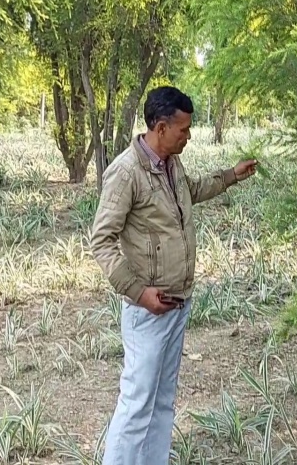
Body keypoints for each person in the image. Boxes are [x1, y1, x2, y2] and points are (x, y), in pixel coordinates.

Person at [90, 85, 257, 465]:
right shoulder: (126, 172)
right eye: (183, 129)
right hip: (148, 310)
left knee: (162, 402)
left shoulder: (170, 163)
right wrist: (137, 291)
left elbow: (191, 191)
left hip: (177, 302)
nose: (189, 136)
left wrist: (232, 175)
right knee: (136, 404)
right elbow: (101, 240)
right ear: (160, 127)